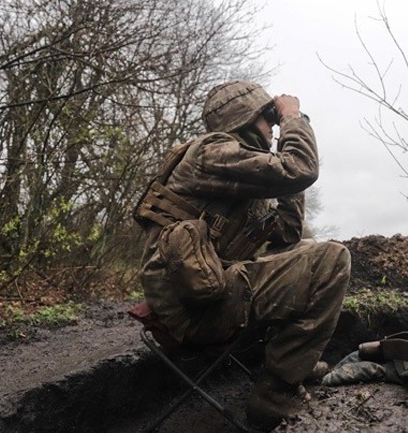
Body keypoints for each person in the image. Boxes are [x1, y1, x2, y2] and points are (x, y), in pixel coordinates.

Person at [136, 80, 351, 430]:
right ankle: (275, 395)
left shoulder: (237, 177)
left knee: (309, 248)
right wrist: (294, 118)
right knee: (333, 259)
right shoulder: (211, 154)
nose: (274, 123)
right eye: (270, 117)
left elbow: (286, 234)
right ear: (247, 119)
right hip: (193, 307)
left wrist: (285, 174)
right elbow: (301, 168)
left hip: (208, 292)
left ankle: (294, 359)